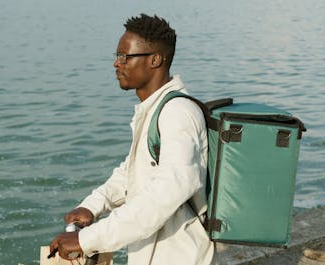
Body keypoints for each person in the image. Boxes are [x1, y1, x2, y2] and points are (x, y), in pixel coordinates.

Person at [50, 14, 214, 265]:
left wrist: (87, 240)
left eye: (125, 56)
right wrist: (94, 205)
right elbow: (132, 171)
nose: (117, 64)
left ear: (155, 60)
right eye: (117, 56)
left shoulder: (177, 113)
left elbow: (168, 191)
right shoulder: (154, 110)